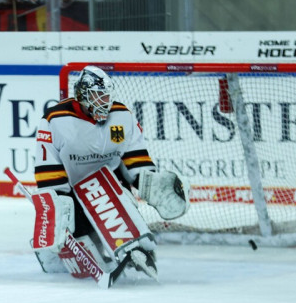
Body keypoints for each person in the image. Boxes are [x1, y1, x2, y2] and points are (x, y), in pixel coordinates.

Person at [32, 65, 189, 286]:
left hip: (110, 183)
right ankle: (55, 252)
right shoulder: (54, 119)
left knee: (117, 201)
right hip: (73, 190)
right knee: (83, 243)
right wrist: (59, 206)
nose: (103, 101)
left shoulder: (122, 116)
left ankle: (136, 245)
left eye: (105, 95)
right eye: (97, 95)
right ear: (82, 95)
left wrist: (150, 182)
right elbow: (49, 168)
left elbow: (135, 156)